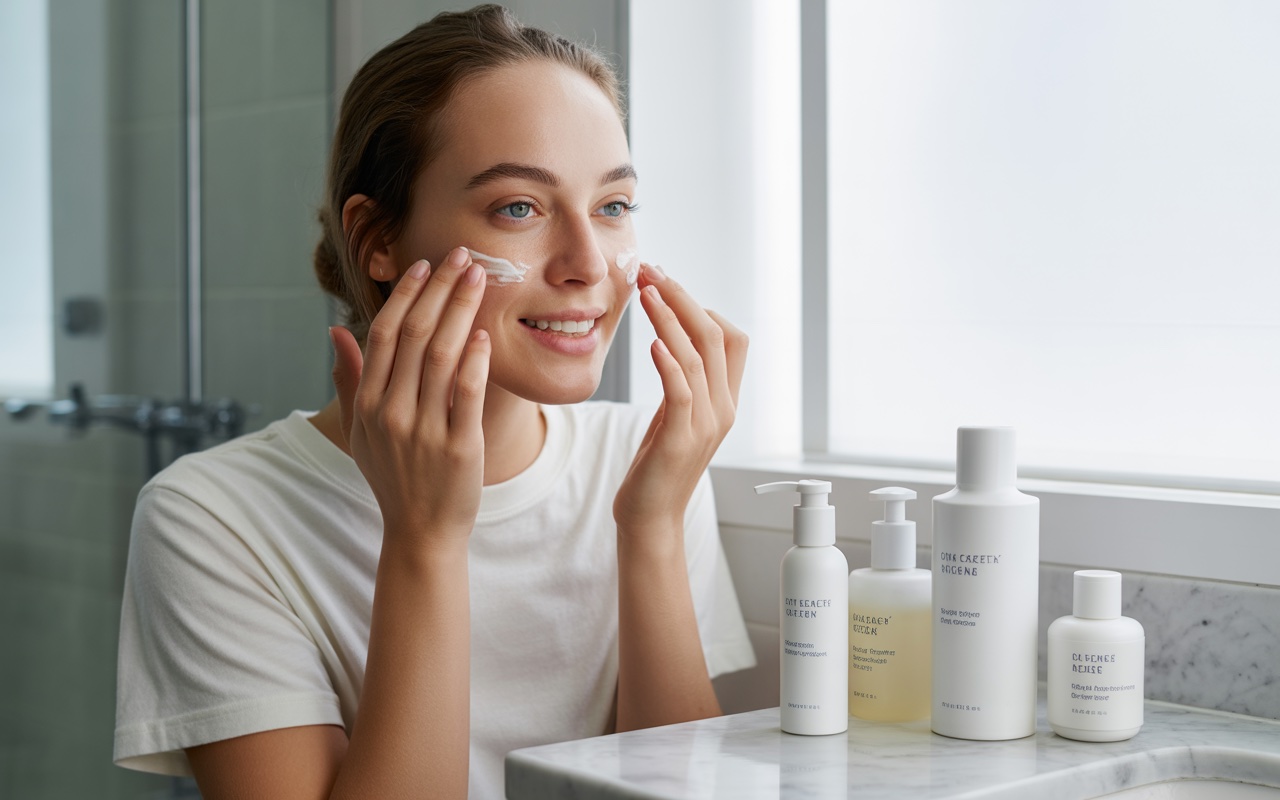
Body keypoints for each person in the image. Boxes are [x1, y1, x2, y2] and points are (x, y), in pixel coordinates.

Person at [112, 5, 755, 799]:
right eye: (519, 207)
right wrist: (422, 542)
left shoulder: (642, 465)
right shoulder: (211, 517)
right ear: (377, 239)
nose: (589, 264)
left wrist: (652, 527)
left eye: (613, 206)